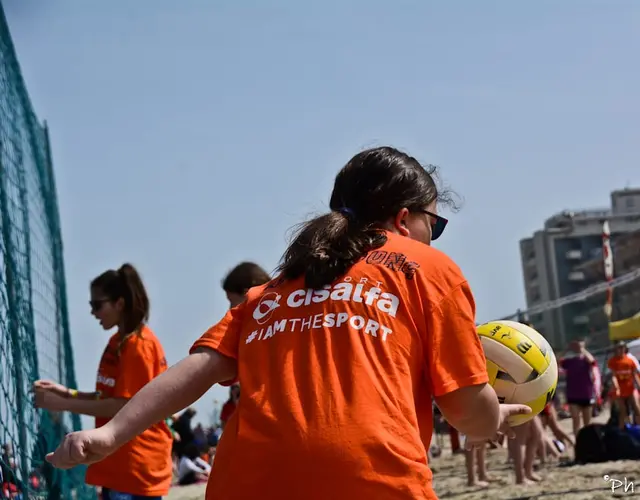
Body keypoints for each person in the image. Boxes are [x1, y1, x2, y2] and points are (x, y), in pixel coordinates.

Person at [45, 146, 530, 500]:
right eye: (436, 226)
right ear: (405, 219)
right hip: (370, 481)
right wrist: (493, 418)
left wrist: (111, 434)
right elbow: (467, 410)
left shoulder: (274, 288)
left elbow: (197, 369)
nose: (436, 239)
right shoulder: (428, 269)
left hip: (245, 483)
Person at [33, 263, 173, 500]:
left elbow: (122, 405)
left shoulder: (138, 346)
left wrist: (63, 404)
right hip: (118, 464)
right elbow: (106, 396)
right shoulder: (118, 342)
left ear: (119, 303)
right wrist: (66, 393)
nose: (93, 312)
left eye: (97, 305)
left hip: (135, 466)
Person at [559, 339, 596, 436]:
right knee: (576, 420)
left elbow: (592, 361)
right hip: (573, 394)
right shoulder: (569, 362)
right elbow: (556, 360)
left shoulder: (586, 360)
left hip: (586, 394)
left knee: (587, 422)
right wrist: (567, 349)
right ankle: (578, 441)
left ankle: (588, 441)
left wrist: (582, 349)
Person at [607, 341, 640, 430]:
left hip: (630, 388)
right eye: (619, 348)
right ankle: (624, 429)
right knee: (623, 411)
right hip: (620, 390)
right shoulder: (613, 361)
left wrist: (638, 385)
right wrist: (616, 387)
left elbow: (634, 374)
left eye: (622, 348)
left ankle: (638, 427)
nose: (621, 350)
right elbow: (613, 376)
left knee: (637, 408)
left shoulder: (630, 360)